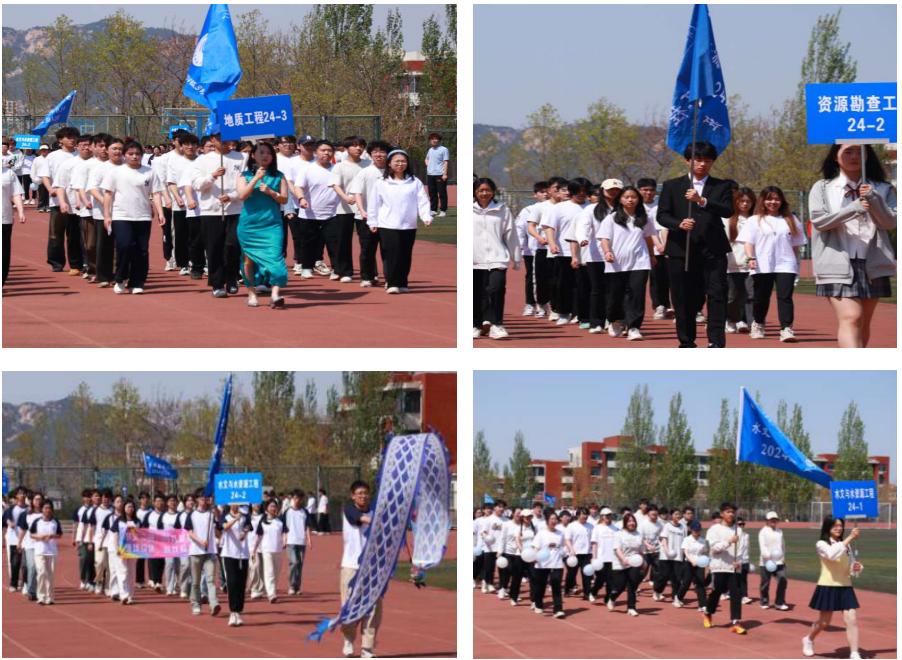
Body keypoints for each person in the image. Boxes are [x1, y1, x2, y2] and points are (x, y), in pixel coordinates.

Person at [808, 144, 896, 347]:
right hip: (836, 262)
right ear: (835, 156)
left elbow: (890, 223)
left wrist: (874, 199)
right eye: (848, 151)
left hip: (873, 262)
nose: (855, 156)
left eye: (860, 151)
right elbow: (820, 222)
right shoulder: (822, 188)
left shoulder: (883, 189)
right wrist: (854, 208)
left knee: (863, 321)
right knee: (852, 317)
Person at [656, 141, 735, 347]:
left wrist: (702, 201)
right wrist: (678, 224)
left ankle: (716, 342)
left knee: (717, 295)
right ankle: (686, 341)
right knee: (684, 298)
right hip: (681, 250)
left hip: (713, 250)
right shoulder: (672, 186)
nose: (702, 164)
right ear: (687, 161)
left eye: (707, 160)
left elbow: (728, 210)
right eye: (697, 160)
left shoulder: (722, 186)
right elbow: (662, 215)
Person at [738, 186, 807, 342]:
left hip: (786, 264)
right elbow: (748, 242)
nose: (773, 202)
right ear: (763, 201)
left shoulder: (791, 219)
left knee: (785, 297)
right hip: (762, 264)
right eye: (769, 199)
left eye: (776, 199)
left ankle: (786, 328)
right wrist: (751, 258)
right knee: (761, 297)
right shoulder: (754, 220)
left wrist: (796, 265)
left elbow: (796, 245)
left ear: (782, 201)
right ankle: (758, 323)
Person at [189, 131, 247, 297]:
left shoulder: (242, 158)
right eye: (220, 138)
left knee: (233, 245)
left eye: (227, 137)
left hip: (235, 209)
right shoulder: (202, 160)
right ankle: (217, 283)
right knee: (214, 247)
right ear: (213, 140)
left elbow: (245, 183)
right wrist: (212, 176)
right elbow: (197, 185)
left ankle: (232, 278)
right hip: (211, 210)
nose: (225, 141)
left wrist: (232, 196)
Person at [366, 149, 432, 293]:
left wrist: (426, 216)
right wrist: (372, 221)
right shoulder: (381, 182)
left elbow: (422, 201)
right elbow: (374, 203)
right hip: (387, 224)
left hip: (408, 225)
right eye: (397, 161)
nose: (400, 164)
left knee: (405, 254)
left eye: (403, 161)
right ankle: (392, 283)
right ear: (389, 163)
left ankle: (402, 282)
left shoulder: (414, 182)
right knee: (391, 254)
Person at [101, 140, 162, 294]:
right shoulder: (116, 172)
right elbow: (108, 194)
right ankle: (120, 277)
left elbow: (156, 193)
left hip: (143, 216)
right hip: (121, 215)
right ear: (125, 155)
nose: (134, 156)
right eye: (130, 154)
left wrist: (160, 212)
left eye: (137, 154)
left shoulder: (150, 172)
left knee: (142, 250)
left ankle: (137, 282)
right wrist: (107, 215)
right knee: (124, 245)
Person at [599, 186, 658, 340]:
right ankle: (615, 320)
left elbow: (648, 237)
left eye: (634, 197)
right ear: (620, 199)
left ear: (638, 199)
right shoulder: (612, 218)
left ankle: (634, 327)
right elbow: (604, 238)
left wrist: (651, 255)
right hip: (616, 262)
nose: (630, 200)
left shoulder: (645, 218)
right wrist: (607, 251)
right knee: (615, 295)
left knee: (637, 294)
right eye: (626, 197)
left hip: (640, 261)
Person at [236, 141, 289, 308]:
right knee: (248, 261)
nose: (265, 156)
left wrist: (272, 192)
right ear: (253, 156)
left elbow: (284, 199)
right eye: (261, 152)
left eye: (268, 153)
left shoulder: (279, 176)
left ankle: (275, 294)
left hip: (272, 225)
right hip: (249, 226)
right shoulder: (244, 175)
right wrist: (255, 179)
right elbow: (242, 195)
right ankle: (251, 292)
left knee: (276, 258)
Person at [802, 517, 863, 660]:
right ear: (827, 527)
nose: (839, 528)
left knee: (851, 619)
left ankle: (854, 653)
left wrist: (856, 568)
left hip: (845, 586)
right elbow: (831, 555)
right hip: (827, 585)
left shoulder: (846, 545)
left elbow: (850, 567)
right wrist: (850, 538)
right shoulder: (821, 544)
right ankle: (809, 639)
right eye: (835, 525)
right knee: (824, 622)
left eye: (840, 525)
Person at [473, 177, 521, 339]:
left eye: (487, 190)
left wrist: (516, 257)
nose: (484, 193)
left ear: (493, 192)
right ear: (475, 192)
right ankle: (476, 324)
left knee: (496, 289)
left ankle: (497, 325)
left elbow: (511, 234)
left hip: (498, 257)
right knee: (477, 293)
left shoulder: (502, 210)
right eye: (480, 190)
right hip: (475, 259)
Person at [341, 480, 381, 658]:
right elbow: (360, 519)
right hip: (351, 566)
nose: (363, 496)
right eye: (359, 493)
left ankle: (367, 648)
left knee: (373, 609)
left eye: (365, 493)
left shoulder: (375, 512)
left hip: (373, 568)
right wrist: (380, 521)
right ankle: (348, 640)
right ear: (353, 496)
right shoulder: (348, 509)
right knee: (350, 607)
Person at [36, 127, 81, 273]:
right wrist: (50, 189)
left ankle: (76, 264)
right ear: (60, 140)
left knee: (75, 234)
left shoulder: (80, 155)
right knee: (56, 234)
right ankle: (56, 262)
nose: (72, 139)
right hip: (57, 201)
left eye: (74, 137)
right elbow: (45, 175)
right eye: (69, 137)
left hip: (77, 201)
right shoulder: (53, 156)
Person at [347, 140, 391, 287]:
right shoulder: (365, 172)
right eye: (375, 152)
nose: (379, 155)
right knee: (367, 249)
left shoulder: (392, 172)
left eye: (382, 152)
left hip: (388, 218)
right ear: (370, 154)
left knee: (388, 249)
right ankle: (367, 277)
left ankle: (390, 279)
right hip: (365, 217)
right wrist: (362, 210)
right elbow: (357, 193)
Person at [703, 502, 746, 634]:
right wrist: (729, 541)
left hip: (733, 568)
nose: (731, 514)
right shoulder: (714, 529)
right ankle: (708, 612)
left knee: (736, 593)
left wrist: (739, 561)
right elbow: (714, 549)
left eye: (733, 512)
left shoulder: (739, 530)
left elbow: (742, 549)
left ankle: (736, 622)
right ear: (722, 514)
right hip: (719, 567)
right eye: (728, 512)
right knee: (717, 592)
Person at [329, 136, 366, 282]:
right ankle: (344, 271)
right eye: (354, 145)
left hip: (364, 208)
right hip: (344, 208)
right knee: (343, 240)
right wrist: (345, 197)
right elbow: (335, 184)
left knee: (367, 241)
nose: (358, 148)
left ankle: (369, 273)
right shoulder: (339, 166)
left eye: (361, 145)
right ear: (346, 149)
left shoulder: (369, 165)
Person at [184, 492, 221, 616]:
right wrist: (200, 541)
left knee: (211, 580)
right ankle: (195, 604)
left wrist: (215, 510)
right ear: (197, 500)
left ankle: (214, 604)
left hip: (210, 552)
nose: (204, 500)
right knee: (196, 581)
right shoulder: (192, 515)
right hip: (196, 552)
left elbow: (219, 528)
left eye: (206, 498)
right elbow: (189, 532)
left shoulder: (211, 514)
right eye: (201, 498)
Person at [724, 186, 755, 333]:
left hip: (752, 263)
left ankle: (747, 321)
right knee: (733, 296)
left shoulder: (756, 219)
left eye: (748, 201)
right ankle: (730, 319)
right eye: (741, 201)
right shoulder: (728, 219)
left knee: (750, 294)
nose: (745, 204)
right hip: (733, 263)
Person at [514, 182, 548, 315]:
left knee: (548, 278)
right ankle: (530, 303)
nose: (545, 194)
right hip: (531, 250)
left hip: (550, 250)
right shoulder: (527, 210)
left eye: (547, 191)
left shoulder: (555, 208)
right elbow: (520, 230)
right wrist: (521, 248)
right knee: (531, 277)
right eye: (542, 192)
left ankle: (546, 304)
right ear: (535, 195)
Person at [219, 503, 252, 626]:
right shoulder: (225, 516)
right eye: (234, 502)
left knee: (241, 583)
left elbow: (248, 526)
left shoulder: (245, 516)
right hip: (229, 553)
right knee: (232, 582)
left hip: (243, 554)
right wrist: (235, 519)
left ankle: (238, 611)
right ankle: (233, 612)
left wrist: (244, 532)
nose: (236, 504)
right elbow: (225, 527)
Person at [530, 511, 566, 618]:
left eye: (555, 519)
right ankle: (538, 604)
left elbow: (563, 547)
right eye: (552, 519)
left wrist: (563, 553)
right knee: (540, 586)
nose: (554, 521)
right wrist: (534, 557)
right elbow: (535, 547)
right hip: (542, 564)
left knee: (556, 586)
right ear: (547, 521)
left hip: (557, 563)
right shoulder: (541, 533)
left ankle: (558, 609)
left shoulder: (560, 534)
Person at [253, 498, 287, 604]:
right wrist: (254, 550)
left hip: (278, 550)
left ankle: (272, 591)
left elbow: (285, 532)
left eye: (275, 506)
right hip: (266, 550)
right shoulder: (262, 522)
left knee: (276, 573)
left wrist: (285, 541)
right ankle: (272, 594)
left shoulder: (280, 522)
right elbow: (258, 536)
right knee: (269, 572)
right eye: (271, 506)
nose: (273, 508)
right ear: (267, 508)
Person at [29, 500, 63, 605]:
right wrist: (39, 537)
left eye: (49, 508)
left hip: (51, 551)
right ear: (42, 509)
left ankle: (50, 597)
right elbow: (31, 534)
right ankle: (41, 596)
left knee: (50, 575)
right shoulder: (37, 521)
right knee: (41, 573)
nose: (47, 510)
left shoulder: (55, 521)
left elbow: (59, 534)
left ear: (52, 510)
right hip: (40, 551)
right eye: (45, 508)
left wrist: (52, 536)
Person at [654, 507, 686, 605]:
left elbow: (685, 541)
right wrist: (667, 551)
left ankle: (675, 597)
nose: (678, 516)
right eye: (676, 514)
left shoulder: (683, 527)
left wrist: (684, 554)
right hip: (666, 556)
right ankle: (657, 590)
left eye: (679, 514)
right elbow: (664, 539)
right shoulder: (667, 526)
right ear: (671, 516)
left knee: (677, 578)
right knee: (664, 576)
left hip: (678, 556)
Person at [283, 490, 312, 595]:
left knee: (299, 564)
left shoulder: (304, 512)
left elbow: (307, 526)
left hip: (301, 541)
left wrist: (309, 540)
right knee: (294, 562)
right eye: (295, 498)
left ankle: (297, 587)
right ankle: (291, 585)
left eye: (299, 498)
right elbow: (284, 528)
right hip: (291, 541)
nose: (297, 500)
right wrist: (284, 540)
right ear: (292, 498)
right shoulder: (287, 512)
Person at [17, 492, 44, 601]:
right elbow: (23, 530)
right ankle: (31, 591)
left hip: (42, 545)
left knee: (40, 569)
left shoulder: (45, 513)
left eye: (40, 499)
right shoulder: (26, 514)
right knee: (32, 566)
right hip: (30, 545)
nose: (38, 501)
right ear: (32, 501)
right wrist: (19, 542)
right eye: (36, 499)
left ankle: (38, 589)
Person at [758, 511, 788, 610]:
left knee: (783, 579)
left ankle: (779, 602)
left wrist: (783, 557)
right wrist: (768, 557)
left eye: (775, 519)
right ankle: (764, 601)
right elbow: (763, 547)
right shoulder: (763, 532)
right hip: (766, 562)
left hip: (779, 561)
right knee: (765, 583)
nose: (773, 521)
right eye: (771, 519)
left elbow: (783, 545)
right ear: (767, 521)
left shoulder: (780, 531)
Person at [2, 160, 25, 286]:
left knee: (3, 252)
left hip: (4, 218)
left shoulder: (9, 173)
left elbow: (16, 194)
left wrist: (21, 211)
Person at [589, 506, 617, 604]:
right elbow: (594, 543)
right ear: (602, 517)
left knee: (611, 581)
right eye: (606, 515)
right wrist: (594, 557)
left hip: (612, 558)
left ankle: (607, 598)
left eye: (610, 515)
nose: (608, 517)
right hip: (601, 558)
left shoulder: (615, 528)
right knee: (600, 579)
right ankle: (593, 592)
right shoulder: (597, 528)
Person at [563, 507, 593, 599]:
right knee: (571, 574)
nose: (585, 516)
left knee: (587, 574)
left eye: (586, 514)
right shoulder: (571, 526)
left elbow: (593, 540)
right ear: (578, 515)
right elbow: (567, 539)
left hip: (587, 554)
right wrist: (571, 549)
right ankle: (567, 590)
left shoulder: (591, 526)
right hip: (574, 554)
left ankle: (587, 593)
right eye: (583, 514)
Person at [680, 519, 709, 611]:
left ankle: (703, 605)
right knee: (686, 583)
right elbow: (685, 552)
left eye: (698, 530)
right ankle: (679, 597)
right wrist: (691, 561)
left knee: (700, 583)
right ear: (691, 530)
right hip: (689, 563)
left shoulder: (703, 541)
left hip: (699, 564)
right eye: (695, 530)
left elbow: (704, 553)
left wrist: (706, 564)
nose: (696, 532)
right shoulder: (687, 540)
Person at [4, 488, 28, 592]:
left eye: (24, 493)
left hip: (26, 539)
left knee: (26, 564)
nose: (22, 495)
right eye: (20, 494)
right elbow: (7, 520)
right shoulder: (11, 509)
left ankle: (25, 584)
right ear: (16, 496)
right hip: (14, 539)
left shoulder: (29, 509)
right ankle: (13, 584)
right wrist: (10, 523)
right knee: (15, 563)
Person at [479, 500, 505, 592]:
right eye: (499, 507)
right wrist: (486, 537)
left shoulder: (506, 520)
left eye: (503, 507)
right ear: (495, 508)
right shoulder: (488, 519)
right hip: (489, 548)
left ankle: (502, 588)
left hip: (502, 548)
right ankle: (488, 583)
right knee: (489, 568)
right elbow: (483, 532)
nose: (501, 509)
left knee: (503, 568)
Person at [424, 132, 450, 217]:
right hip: (430, 174)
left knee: (442, 193)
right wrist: (428, 165)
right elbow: (426, 159)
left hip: (440, 174)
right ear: (430, 140)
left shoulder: (444, 149)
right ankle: (433, 210)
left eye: (436, 139)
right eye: (432, 139)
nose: (434, 140)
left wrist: (445, 174)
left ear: (439, 140)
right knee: (432, 193)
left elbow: (446, 162)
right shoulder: (430, 150)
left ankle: (443, 210)